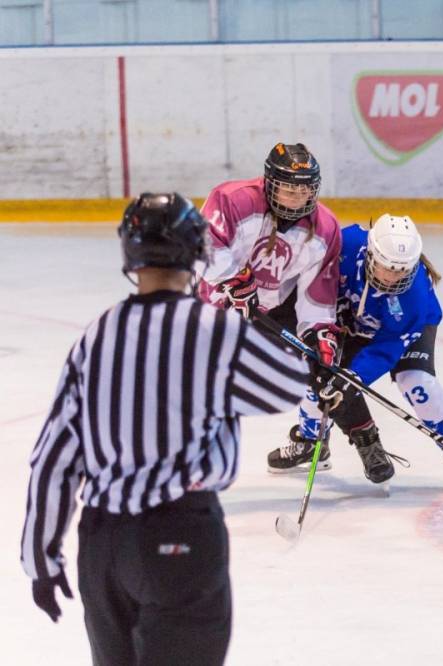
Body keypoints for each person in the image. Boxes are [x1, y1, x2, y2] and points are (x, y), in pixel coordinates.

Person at [20, 193, 310, 664]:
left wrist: (40, 558)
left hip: (102, 547)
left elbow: (53, 459)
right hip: (179, 535)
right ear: (195, 250)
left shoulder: (96, 336)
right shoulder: (212, 330)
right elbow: (288, 384)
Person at [266, 213, 443, 491]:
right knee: (320, 371)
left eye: (401, 271)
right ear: (370, 254)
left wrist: (354, 378)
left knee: (416, 381)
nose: (393, 278)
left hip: (400, 332)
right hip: (353, 320)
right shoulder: (345, 245)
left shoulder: (413, 297)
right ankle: (312, 440)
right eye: (387, 268)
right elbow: (310, 280)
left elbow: (386, 348)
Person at [197, 142, 345, 475]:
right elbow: (202, 245)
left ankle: (313, 442)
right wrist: (232, 278)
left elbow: (317, 293)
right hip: (215, 308)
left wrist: (320, 334)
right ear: (269, 183)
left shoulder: (325, 228)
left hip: (269, 310)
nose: (297, 198)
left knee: (321, 368)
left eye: (305, 190)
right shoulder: (232, 199)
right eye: (289, 189)